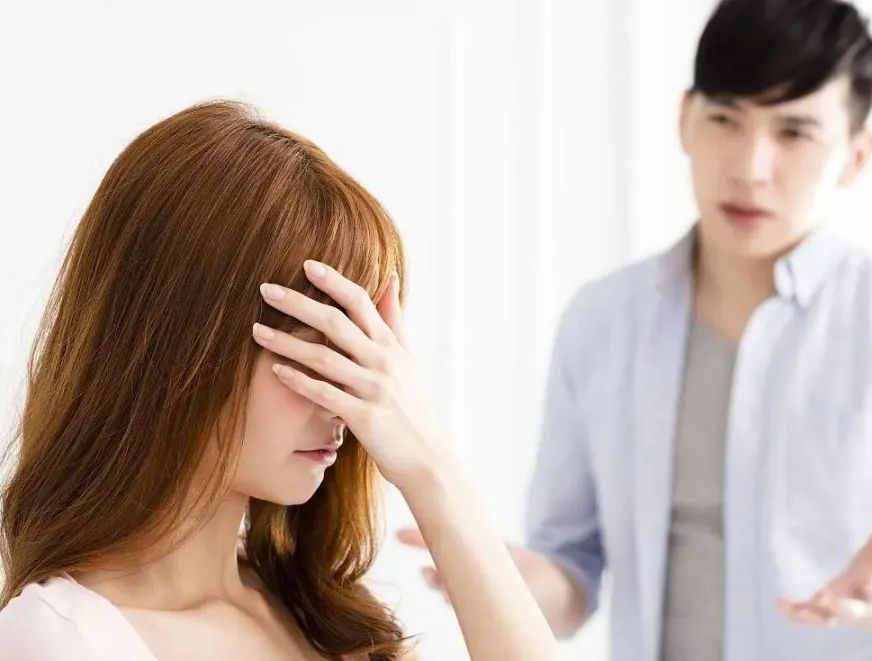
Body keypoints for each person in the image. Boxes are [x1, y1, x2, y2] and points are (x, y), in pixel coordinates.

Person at [399, 0, 872, 659]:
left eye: (794, 133)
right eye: (726, 119)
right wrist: (505, 577)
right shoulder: (601, 322)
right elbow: (571, 572)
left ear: (856, 155)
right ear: (685, 119)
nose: (750, 167)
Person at [0, 101, 560, 661]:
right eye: (318, 353)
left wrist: (433, 473)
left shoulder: (316, 611)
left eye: (359, 357)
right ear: (184, 342)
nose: (348, 406)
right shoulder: (66, 637)